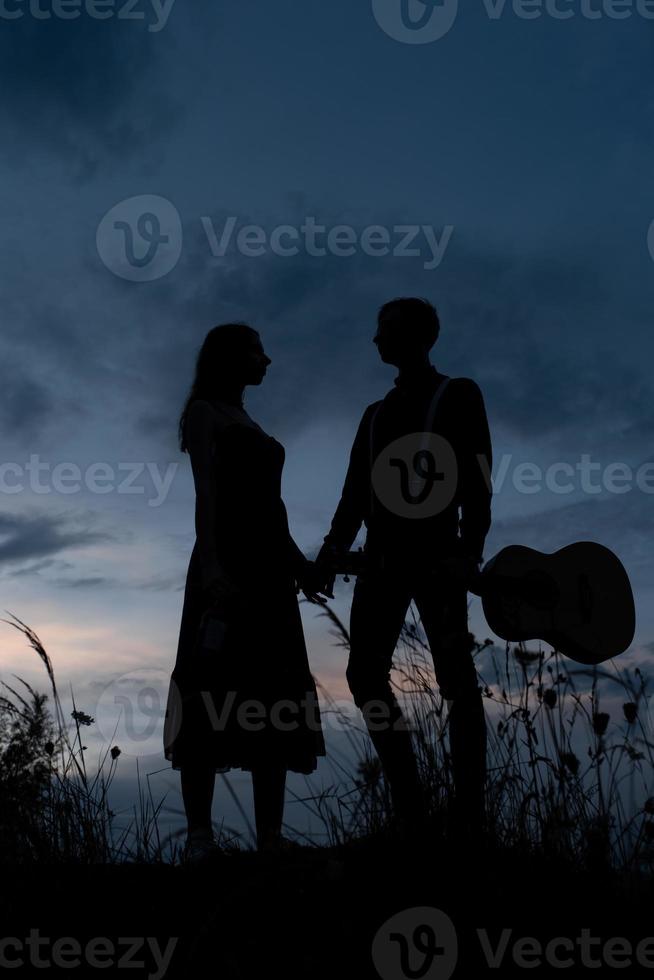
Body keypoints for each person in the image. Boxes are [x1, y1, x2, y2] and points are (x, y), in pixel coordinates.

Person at [316, 297, 492, 844]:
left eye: (384, 330)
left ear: (415, 336)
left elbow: (479, 477)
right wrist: (330, 553)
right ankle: (412, 811)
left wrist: (470, 549)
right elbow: (353, 496)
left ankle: (467, 816)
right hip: (380, 563)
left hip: (440, 561)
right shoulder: (374, 415)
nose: (375, 340)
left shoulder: (458, 393)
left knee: (456, 683)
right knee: (365, 677)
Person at [163, 323, 327, 860]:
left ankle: (272, 840)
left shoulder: (249, 420)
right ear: (231, 357)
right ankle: (199, 838)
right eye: (257, 350)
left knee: (272, 693)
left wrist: (298, 563)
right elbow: (206, 495)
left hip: (269, 575)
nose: (267, 360)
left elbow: (270, 511)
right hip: (226, 566)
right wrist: (212, 569)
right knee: (209, 689)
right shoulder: (206, 412)